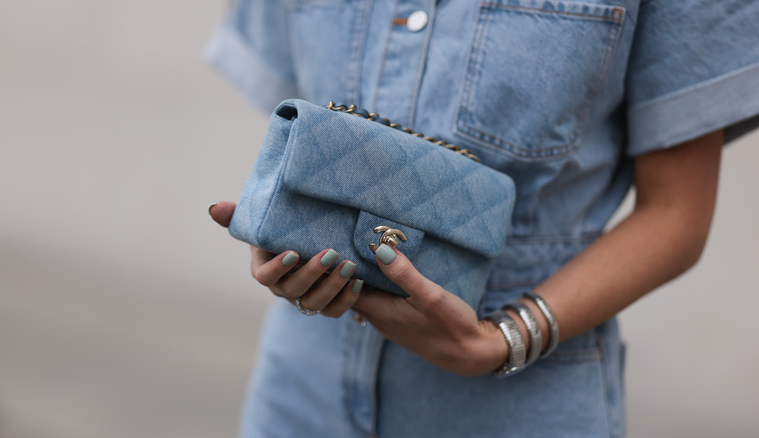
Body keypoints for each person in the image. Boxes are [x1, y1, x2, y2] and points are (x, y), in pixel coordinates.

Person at [206, 1, 759, 436]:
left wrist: (504, 340)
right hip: (299, 387)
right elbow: (295, 124)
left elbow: (676, 215)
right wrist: (279, 222)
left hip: (517, 405)